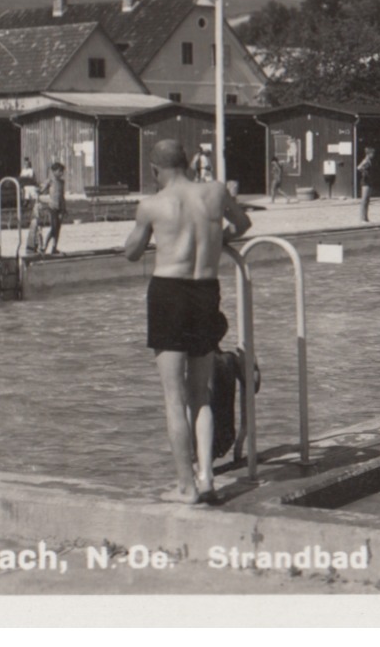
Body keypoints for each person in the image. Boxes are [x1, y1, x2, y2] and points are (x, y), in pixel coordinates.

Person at [122, 139, 252, 504]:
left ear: (154, 171)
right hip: (206, 291)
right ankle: (207, 477)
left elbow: (131, 253)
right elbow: (242, 223)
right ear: (190, 164)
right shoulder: (215, 191)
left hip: (168, 293)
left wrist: (144, 233)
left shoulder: (151, 204)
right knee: (200, 394)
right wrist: (217, 239)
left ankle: (185, 487)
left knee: (173, 397)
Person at [39, 162, 68, 254]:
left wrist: (64, 208)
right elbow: (42, 189)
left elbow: (62, 195)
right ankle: (44, 246)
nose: (61, 173)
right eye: (60, 171)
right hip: (52, 207)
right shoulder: (50, 180)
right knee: (54, 227)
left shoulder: (62, 182)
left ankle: (54, 247)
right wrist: (39, 191)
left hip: (60, 207)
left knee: (58, 228)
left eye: (62, 171)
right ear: (54, 171)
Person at [356, 147, 375, 223]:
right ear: (368, 154)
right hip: (365, 181)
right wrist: (363, 171)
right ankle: (362, 217)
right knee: (364, 199)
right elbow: (359, 167)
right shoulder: (366, 161)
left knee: (367, 200)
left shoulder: (369, 161)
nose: (373, 155)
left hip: (369, 181)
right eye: (372, 154)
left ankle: (366, 217)